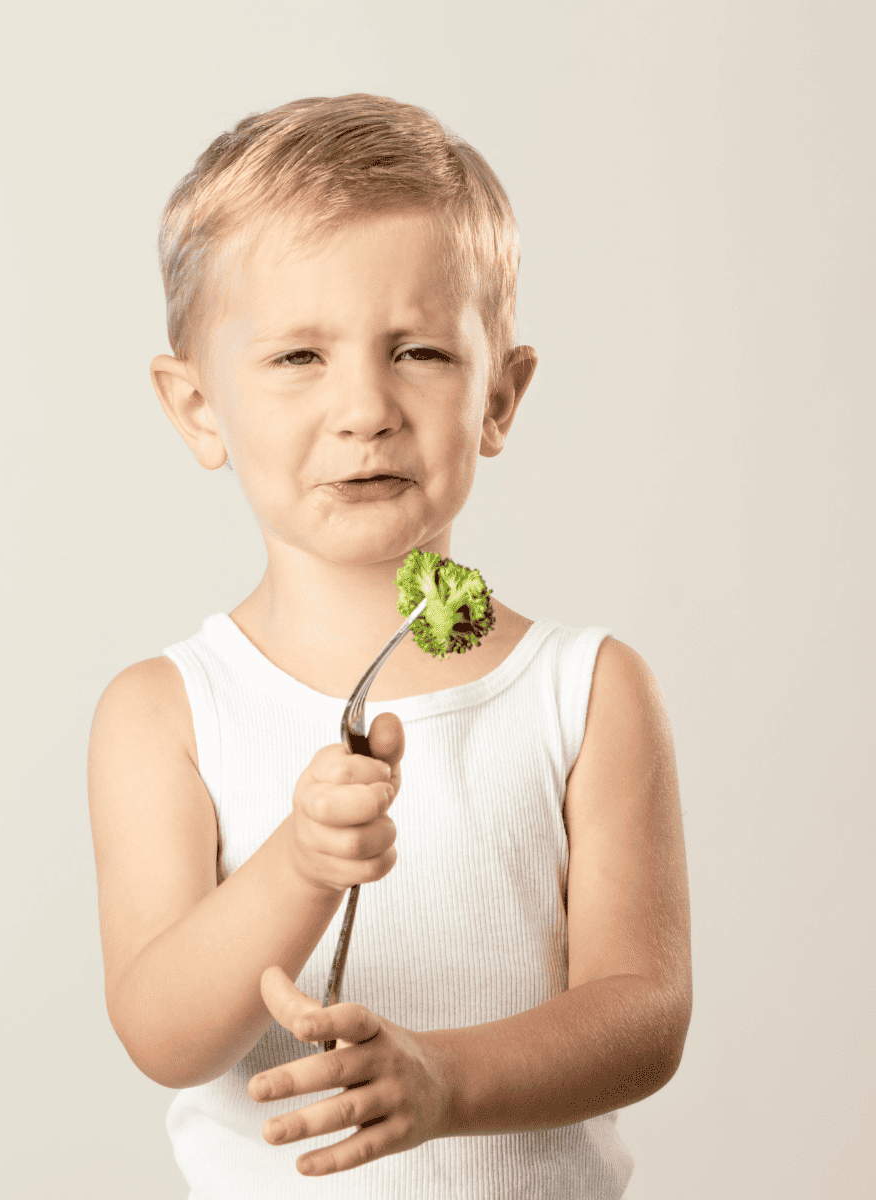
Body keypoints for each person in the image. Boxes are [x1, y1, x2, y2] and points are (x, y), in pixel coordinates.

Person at [87, 94, 691, 1198]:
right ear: (196, 409)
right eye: (299, 358)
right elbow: (164, 1035)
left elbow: (643, 1016)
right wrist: (300, 866)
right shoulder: (164, 712)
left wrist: (446, 1082)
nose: (364, 407)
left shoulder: (588, 691)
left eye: (418, 350)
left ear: (499, 396)